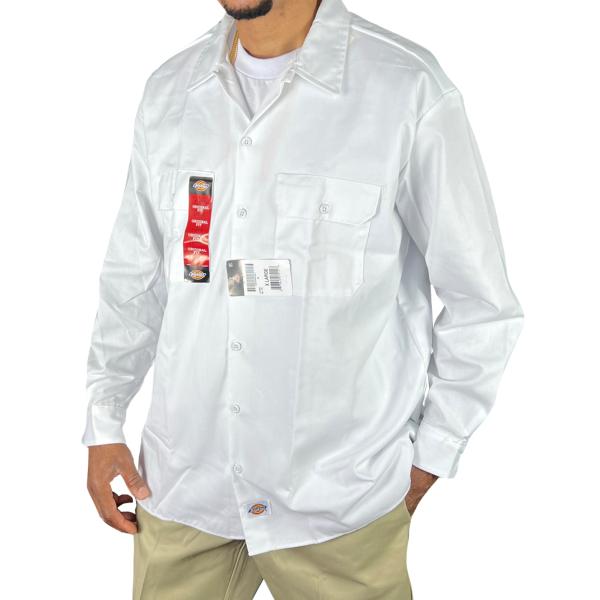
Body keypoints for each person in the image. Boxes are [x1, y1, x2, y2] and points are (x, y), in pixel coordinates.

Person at [83, 0, 524, 597]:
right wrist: (104, 419)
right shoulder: (171, 91)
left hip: (338, 501)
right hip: (185, 485)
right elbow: (133, 276)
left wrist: (432, 455)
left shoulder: (405, 89)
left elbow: (481, 301)